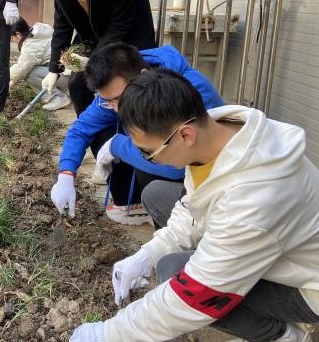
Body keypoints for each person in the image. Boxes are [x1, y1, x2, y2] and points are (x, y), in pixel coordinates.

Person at [70, 69, 319, 342]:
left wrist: (109, 333)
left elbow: (195, 297)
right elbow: (191, 205)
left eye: (148, 152)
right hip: (275, 249)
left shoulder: (252, 200)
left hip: (312, 286)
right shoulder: (221, 132)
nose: (149, 160)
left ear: (185, 135)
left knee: (177, 274)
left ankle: (282, 336)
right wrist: (148, 254)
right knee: (159, 194)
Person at [51, 42, 224, 225]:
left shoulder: (188, 91)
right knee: (103, 132)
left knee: (153, 182)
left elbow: (178, 165)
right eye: (108, 101)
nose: (116, 108)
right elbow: (81, 129)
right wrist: (66, 174)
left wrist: (117, 145)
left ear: (143, 75)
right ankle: (133, 203)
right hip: (172, 163)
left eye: (119, 98)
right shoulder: (118, 89)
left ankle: (171, 216)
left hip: (205, 181)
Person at [25, 0, 156, 116]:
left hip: (130, 38)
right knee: (78, 85)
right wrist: (54, 69)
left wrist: (93, 60)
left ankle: (134, 131)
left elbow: (121, 24)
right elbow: (62, 25)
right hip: (94, 38)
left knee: (131, 90)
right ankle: (93, 134)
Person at [9, 17, 71, 111]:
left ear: (18, 34)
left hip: (67, 76)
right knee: (37, 67)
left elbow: (21, 69)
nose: (13, 41)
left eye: (12, 38)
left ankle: (59, 97)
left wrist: (7, 78)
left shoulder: (30, 45)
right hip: (71, 72)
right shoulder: (40, 29)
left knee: (30, 74)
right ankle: (59, 92)